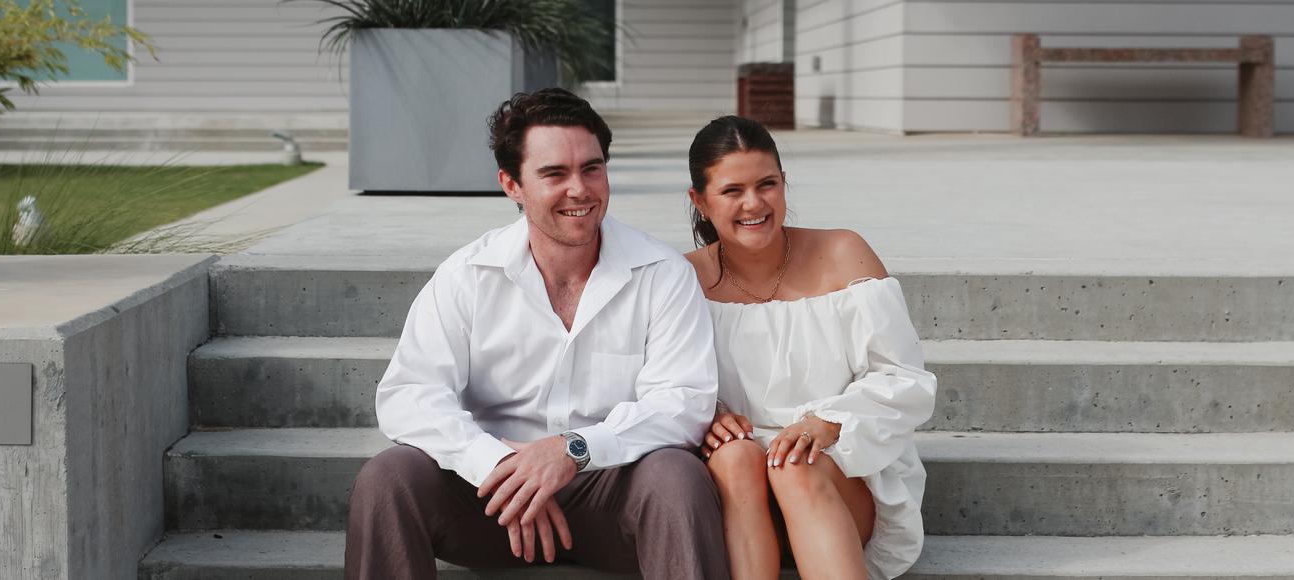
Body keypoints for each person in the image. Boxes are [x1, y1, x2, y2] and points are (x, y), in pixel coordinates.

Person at [344, 88, 731, 580]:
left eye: (591, 168)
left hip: (613, 495)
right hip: (494, 505)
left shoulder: (662, 273)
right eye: (554, 174)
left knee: (677, 477)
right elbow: (409, 394)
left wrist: (571, 450)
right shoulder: (468, 276)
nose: (580, 189)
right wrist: (498, 465)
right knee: (388, 477)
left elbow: (684, 401)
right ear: (512, 184)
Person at [682, 115, 938, 580]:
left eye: (767, 184)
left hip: (835, 474)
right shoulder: (682, 279)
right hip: (734, 497)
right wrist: (707, 415)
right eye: (732, 190)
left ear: (784, 183)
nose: (754, 203)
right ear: (699, 201)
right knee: (736, 456)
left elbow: (903, 378)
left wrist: (827, 422)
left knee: (793, 465)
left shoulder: (843, 254)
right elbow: (656, 383)